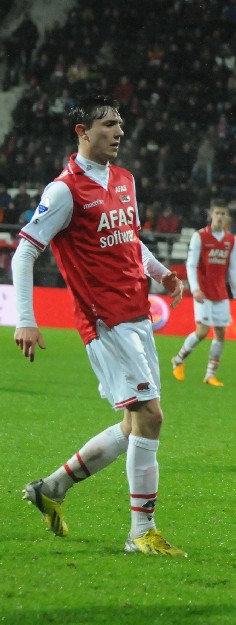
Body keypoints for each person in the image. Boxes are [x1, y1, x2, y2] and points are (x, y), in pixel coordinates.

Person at [11, 94, 186, 556]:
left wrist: (159, 271)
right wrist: (25, 320)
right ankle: (140, 533)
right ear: (82, 132)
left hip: (137, 314)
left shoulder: (124, 179)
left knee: (133, 424)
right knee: (150, 417)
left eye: (121, 124)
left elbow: (129, 238)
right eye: (108, 124)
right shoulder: (64, 191)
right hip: (105, 321)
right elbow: (25, 251)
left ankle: (50, 488)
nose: (118, 131)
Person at [171, 200, 236, 387]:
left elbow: (233, 269)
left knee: (220, 333)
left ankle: (210, 375)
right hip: (203, 292)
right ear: (211, 215)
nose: (220, 216)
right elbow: (191, 264)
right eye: (217, 213)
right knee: (203, 331)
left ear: (227, 217)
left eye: (223, 213)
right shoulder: (200, 237)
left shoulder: (231, 240)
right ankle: (178, 360)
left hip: (220, 293)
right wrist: (194, 288)